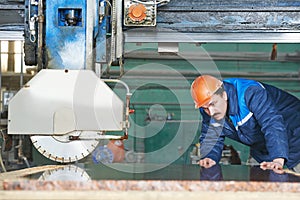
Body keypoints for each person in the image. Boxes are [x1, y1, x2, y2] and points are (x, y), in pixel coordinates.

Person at [190, 75, 300, 173]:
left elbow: (272, 124)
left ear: (224, 94)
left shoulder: (251, 93)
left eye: (213, 104)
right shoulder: (208, 109)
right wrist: (210, 157)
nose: (212, 112)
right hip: (263, 149)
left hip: (295, 138)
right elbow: (212, 135)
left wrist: (278, 159)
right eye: (205, 108)